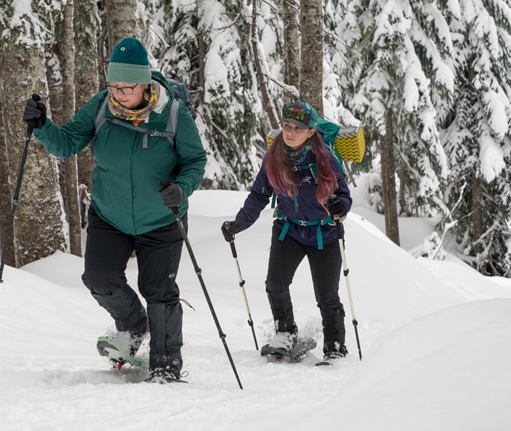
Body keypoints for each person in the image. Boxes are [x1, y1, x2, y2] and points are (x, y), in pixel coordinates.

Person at [23, 37, 207, 383]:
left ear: (145, 82)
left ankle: (166, 366)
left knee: (159, 292)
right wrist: (42, 126)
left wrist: (181, 189)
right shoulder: (100, 107)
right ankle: (133, 325)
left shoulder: (172, 113)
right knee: (98, 279)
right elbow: (66, 145)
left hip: (162, 217)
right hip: (110, 215)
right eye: (113, 86)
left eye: (127, 87)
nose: (119, 93)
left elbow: (195, 160)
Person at [221, 101, 352, 363]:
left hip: (323, 234)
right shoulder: (274, 157)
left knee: (327, 295)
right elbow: (259, 195)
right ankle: (285, 332)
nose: (290, 132)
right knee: (275, 285)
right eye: (286, 126)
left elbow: (344, 197)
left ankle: (335, 344)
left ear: (311, 131)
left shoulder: (325, 158)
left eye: (298, 128)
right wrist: (239, 223)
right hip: (288, 231)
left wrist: (341, 206)